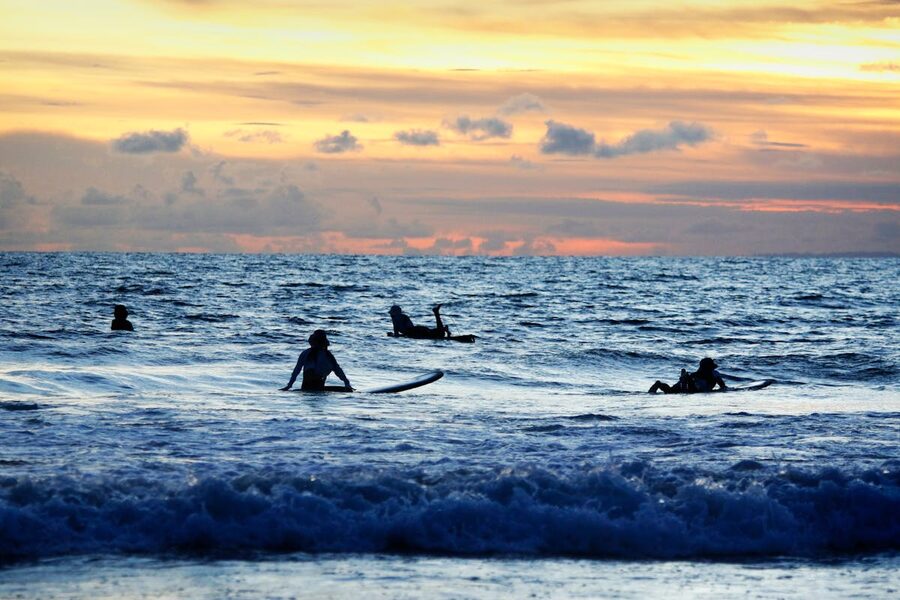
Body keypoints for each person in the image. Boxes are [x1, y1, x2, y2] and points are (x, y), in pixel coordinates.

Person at [280, 329, 353, 392]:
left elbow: (297, 370)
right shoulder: (328, 356)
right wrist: (347, 383)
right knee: (348, 390)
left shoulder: (306, 353)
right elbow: (338, 370)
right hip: (319, 389)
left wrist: (289, 385)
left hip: (307, 388)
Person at [648, 357, 727, 394]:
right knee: (672, 390)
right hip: (691, 386)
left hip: (688, 384)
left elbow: (722, 386)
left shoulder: (712, 374)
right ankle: (657, 386)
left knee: (670, 390)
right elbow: (723, 386)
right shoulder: (713, 374)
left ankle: (658, 385)